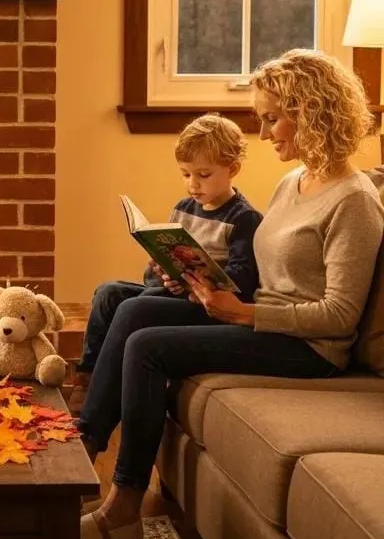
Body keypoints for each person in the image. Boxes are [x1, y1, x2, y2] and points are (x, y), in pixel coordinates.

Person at [76, 49, 384, 539]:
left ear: (311, 111)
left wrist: (244, 312)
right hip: (258, 315)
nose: (264, 134)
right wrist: (196, 276)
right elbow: (271, 270)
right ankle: (79, 459)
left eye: (271, 119)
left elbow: (340, 315)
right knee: (130, 304)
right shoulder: (294, 182)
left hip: (307, 347)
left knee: (146, 344)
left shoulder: (354, 201)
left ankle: (122, 508)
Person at [70, 113, 262, 412]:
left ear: (232, 169)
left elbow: (244, 279)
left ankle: (104, 396)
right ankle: (86, 377)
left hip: (204, 306)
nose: (193, 185)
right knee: (108, 293)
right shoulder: (184, 208)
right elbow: (154, 279)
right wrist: (162, 269)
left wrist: (196, 278)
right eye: (186, 174)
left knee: (135, 306)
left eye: (203, 175)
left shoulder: (244, 218)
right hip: (171, 293)